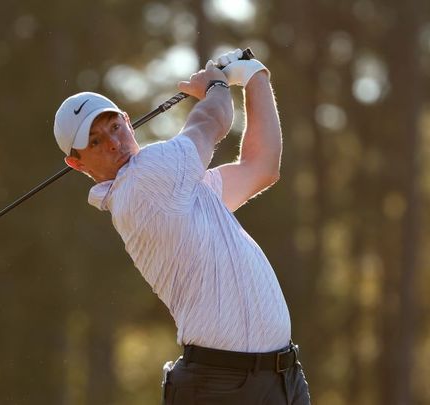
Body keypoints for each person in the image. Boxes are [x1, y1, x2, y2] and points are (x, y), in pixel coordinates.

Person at [53, 49, 311, 404]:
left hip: (280, 380)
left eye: (114, 127)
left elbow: (262, 167)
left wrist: (254, 76)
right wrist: (217, 84)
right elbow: (213, 121)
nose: (113, 143)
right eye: (95, 142)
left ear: (128, 121)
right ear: (77, 163)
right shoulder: (143, 182)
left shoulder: (179, 191)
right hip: (222, 386)